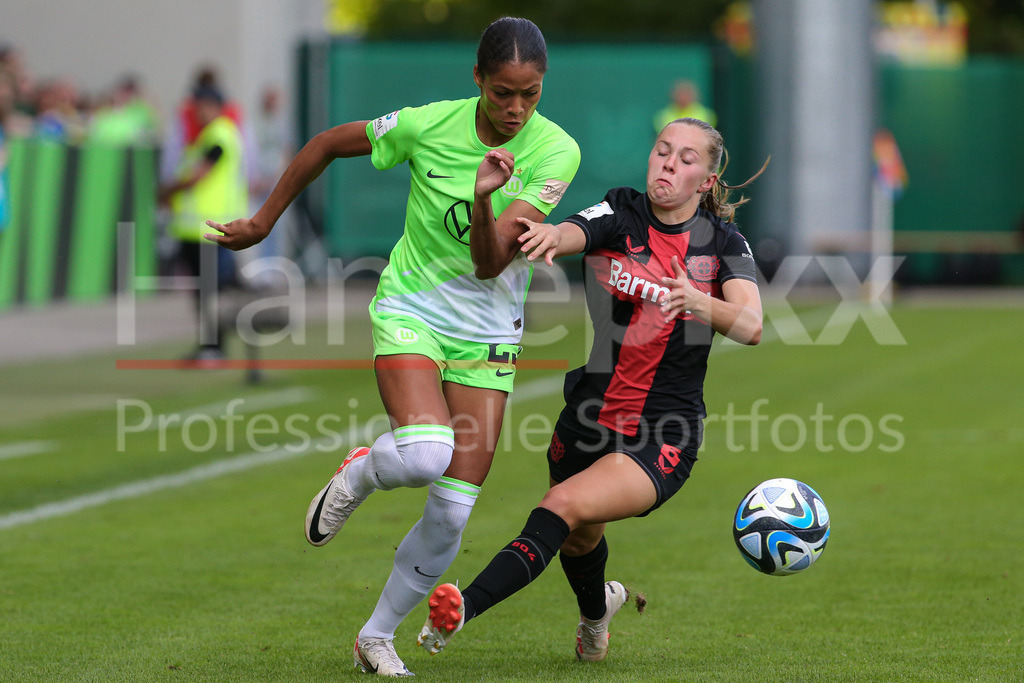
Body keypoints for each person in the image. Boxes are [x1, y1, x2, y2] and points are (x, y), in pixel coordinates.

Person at [205, 16, 580, 677]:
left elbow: (493, 264)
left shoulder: (555, 151)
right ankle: (360, 472)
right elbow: (325, 143)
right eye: (501, 93)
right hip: (412, 308)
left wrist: (484, 199)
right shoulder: (429, 123)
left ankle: (375, 637)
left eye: (530, 92)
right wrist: (263, 221)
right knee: (425, 453)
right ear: (477, 81)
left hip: (489, 329)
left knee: (453, 510)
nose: (516, 108)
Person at [417, 117, 766, 665]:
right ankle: (597, 612)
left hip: (662, 434)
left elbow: (751, 325)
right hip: (588, 415)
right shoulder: (621, 211)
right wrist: (553, 235)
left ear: (706, 181)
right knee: (578, 538)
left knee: (559, 506)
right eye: (662, 151)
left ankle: (462, 606)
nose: (668, 163)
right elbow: (577, 229)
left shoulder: (722, 243)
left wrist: (698, 301)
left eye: (686, 158)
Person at [159, 84, 248, 361]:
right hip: (195, 228)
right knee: (203, 291)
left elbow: (200, 174)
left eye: (202, 104)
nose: (198, 110)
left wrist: (169, 190)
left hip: (208, 228)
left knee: (210, 291)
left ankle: (215, 347)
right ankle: (210, 345)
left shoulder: (219, 134)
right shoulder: (209, 135)